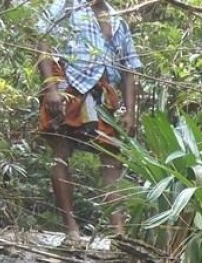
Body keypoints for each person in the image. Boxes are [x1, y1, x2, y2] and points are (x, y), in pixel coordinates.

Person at [35, 0, 141, 242]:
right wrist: (51, 89)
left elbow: (129, 68)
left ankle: (119, 236)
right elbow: (44, 43)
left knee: (111, 161)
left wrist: (128, 110)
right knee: (60, 152)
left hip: (104, 92)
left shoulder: (118, 18)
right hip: (68, 84)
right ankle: (71, 230)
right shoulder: (66, 6)